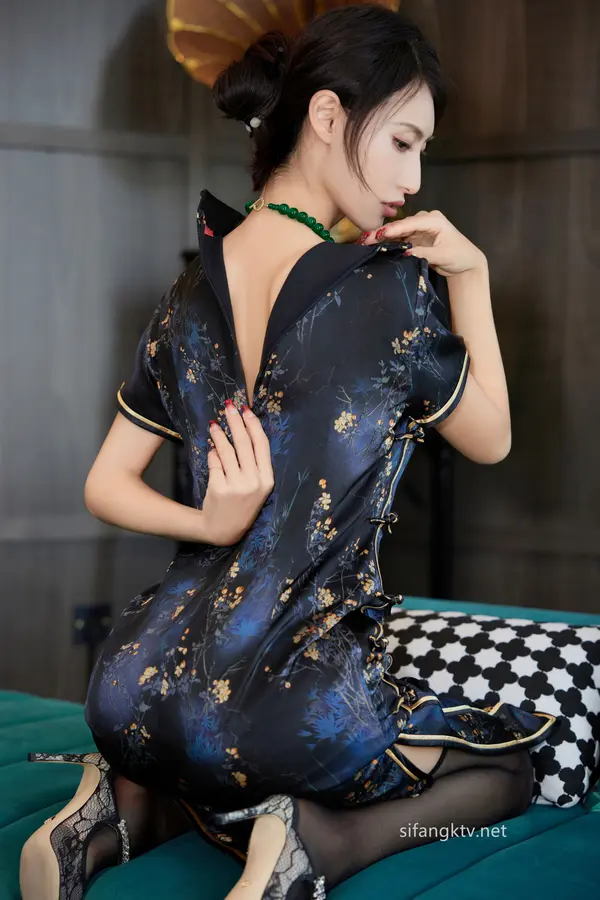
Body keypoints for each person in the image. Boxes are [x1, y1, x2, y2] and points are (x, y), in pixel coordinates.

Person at [21, 5, 558, 900]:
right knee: (506, 771)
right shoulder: (391, 291)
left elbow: (104, 484)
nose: (414, 177)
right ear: (327, 115)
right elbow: (492, 438)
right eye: (403, 142)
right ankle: (318, 844)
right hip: (287, 706)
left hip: (130, 687)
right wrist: (472, 276)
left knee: (199, 744)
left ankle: (123, 807)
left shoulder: (188, 291)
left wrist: (209, 522)